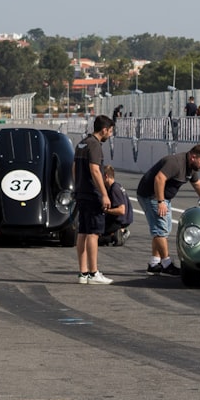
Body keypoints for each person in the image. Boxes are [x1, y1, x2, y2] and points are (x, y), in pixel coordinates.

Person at [136, 143, 200, 276]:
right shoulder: (175, 163)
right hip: (151, 195)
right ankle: (166, 265)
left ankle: (154, 263)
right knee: (160, 229)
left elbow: (197, 184)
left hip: (163, 197)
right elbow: (159, 179)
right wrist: (160, 201)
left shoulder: (191, 168)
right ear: (193, 157)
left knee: (164, 229)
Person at [72, 115, 115, 285]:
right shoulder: (95, 145)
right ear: (104, 129)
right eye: (110, 131)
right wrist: (104, 194)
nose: (110, 134)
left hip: (81, 192)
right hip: (92, 193)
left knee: (82, 232)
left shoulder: (81, 143)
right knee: (93, 233)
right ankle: (93, 272)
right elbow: (95, 170)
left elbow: (74, 167)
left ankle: (83, 273)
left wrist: (77, 186)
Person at [100, 165, 132, 246]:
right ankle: (115, 233)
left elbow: (121, 210)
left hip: (118, 221)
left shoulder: (114, 189)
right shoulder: (116, 186)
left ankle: (117, 234)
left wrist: (106, 211)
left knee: (96, 237)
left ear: (106, 176)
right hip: (120, 219)